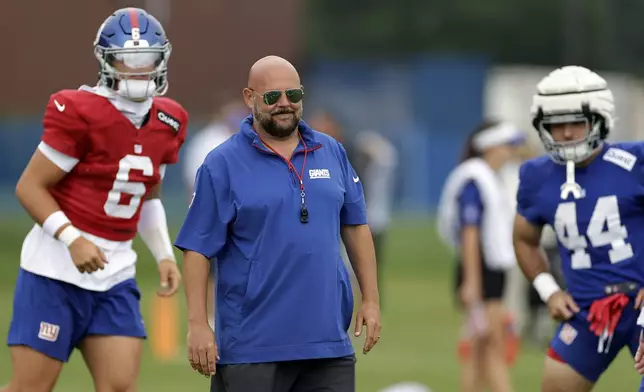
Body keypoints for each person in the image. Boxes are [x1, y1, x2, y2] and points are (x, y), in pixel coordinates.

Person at [2, 8, 186, 392]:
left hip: (116, 270)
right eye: (128, 58)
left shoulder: (170, 120)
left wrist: (164, 253)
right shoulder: (80, 111)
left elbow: (147, 195)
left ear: (162, 59)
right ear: (107, 60)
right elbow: (29, 187)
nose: (138, 68)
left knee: (120, 385)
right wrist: (73, 238)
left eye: (147, 58)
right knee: (31, 387)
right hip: (54, 270)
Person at [174, 55, 381, 392]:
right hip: (252, 348)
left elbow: (356, 227)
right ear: (249, 98)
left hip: (328, 345)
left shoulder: (332, 152)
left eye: (293, 95)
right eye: (272, 97)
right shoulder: (222, 164)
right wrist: (198, 324)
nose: (284, 104)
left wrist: (371, 300)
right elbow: (197, 247)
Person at [514, 65, 644, 392]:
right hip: (586, 310)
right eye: (557, 126)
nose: (568, 134)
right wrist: (549, 290)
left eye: (577, 122)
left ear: (599, 120)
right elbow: (524, 239)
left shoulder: (635, 162)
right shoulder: (536, 176)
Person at [437, 120, 524, 392]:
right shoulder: (476, 178)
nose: (512, 152)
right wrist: (473, 283)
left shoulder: (489, 177)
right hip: (481, 273)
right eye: (508, 145)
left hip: (490, 273)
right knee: (492, 348)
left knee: (479, 351)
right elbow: (470, 232)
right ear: (491, 147)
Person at [182, 99, 247, 330]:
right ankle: (209, 318)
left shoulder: (241, 139)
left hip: (237, 212)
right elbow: (194, 180)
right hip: (213, 212)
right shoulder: (207, 142)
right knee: (208, 268)